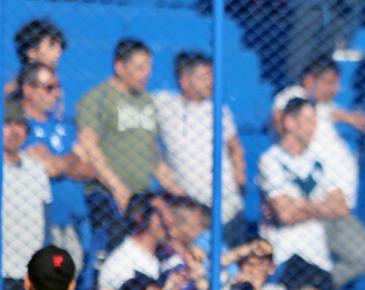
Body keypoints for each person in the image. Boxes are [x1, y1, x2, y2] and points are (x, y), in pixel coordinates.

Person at [271, 56, 365, 288]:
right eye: (330, 83)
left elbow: (333, 112)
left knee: (362, 257)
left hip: (336, 204)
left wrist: (349, 118)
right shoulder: (293, 99)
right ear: (310, 81)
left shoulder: (321, 107)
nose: (336, 89)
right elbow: (281, 122)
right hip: (321, 204)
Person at [76, 39, 180, 250]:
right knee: (110, 252)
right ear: (120, 67)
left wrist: (174, 188)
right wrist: (118, 188)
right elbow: (89, 147)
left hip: (140, 194)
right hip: (105, 194)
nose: (147, 74)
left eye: (149, 67)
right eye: (140, 68)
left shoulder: (147, 101)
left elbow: (152, 151)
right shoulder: (98, 98)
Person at [154, 51, 248, 246]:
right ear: (184, 81)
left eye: (212, 76)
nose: (211, 82)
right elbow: (143, 139)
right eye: (204, 76)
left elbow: (235, 147)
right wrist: (163, 173)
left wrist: (240, 179)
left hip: (227, 206)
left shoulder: (218, 111)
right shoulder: (163, 105)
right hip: (189, 211)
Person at [258, 97, 348, 271]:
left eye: (315, 122)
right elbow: (285, 214)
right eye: (308, 121)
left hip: (317, 257)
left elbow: (341, 208)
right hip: (282, 255)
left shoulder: (319, 160)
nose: (313, 128)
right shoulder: (271, 159)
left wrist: (300, 205)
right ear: (290, 122)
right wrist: (321, 207)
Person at [18, 62, 91, 269]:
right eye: (49, 88)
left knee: (69, 288)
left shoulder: (66, 126)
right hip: (39, 225)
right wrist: (75, 156)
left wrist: (58, 162)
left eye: (58, 88)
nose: (56, 94)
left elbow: (90, 169)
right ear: (28, 89)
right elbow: (47, 170)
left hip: (73, 223)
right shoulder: (19, 128)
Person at [2, 101, 52, 290]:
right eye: (7, 123)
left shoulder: (36, 168)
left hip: (29, 273)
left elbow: (45, 217)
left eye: (20, 125)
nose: (14, 131)